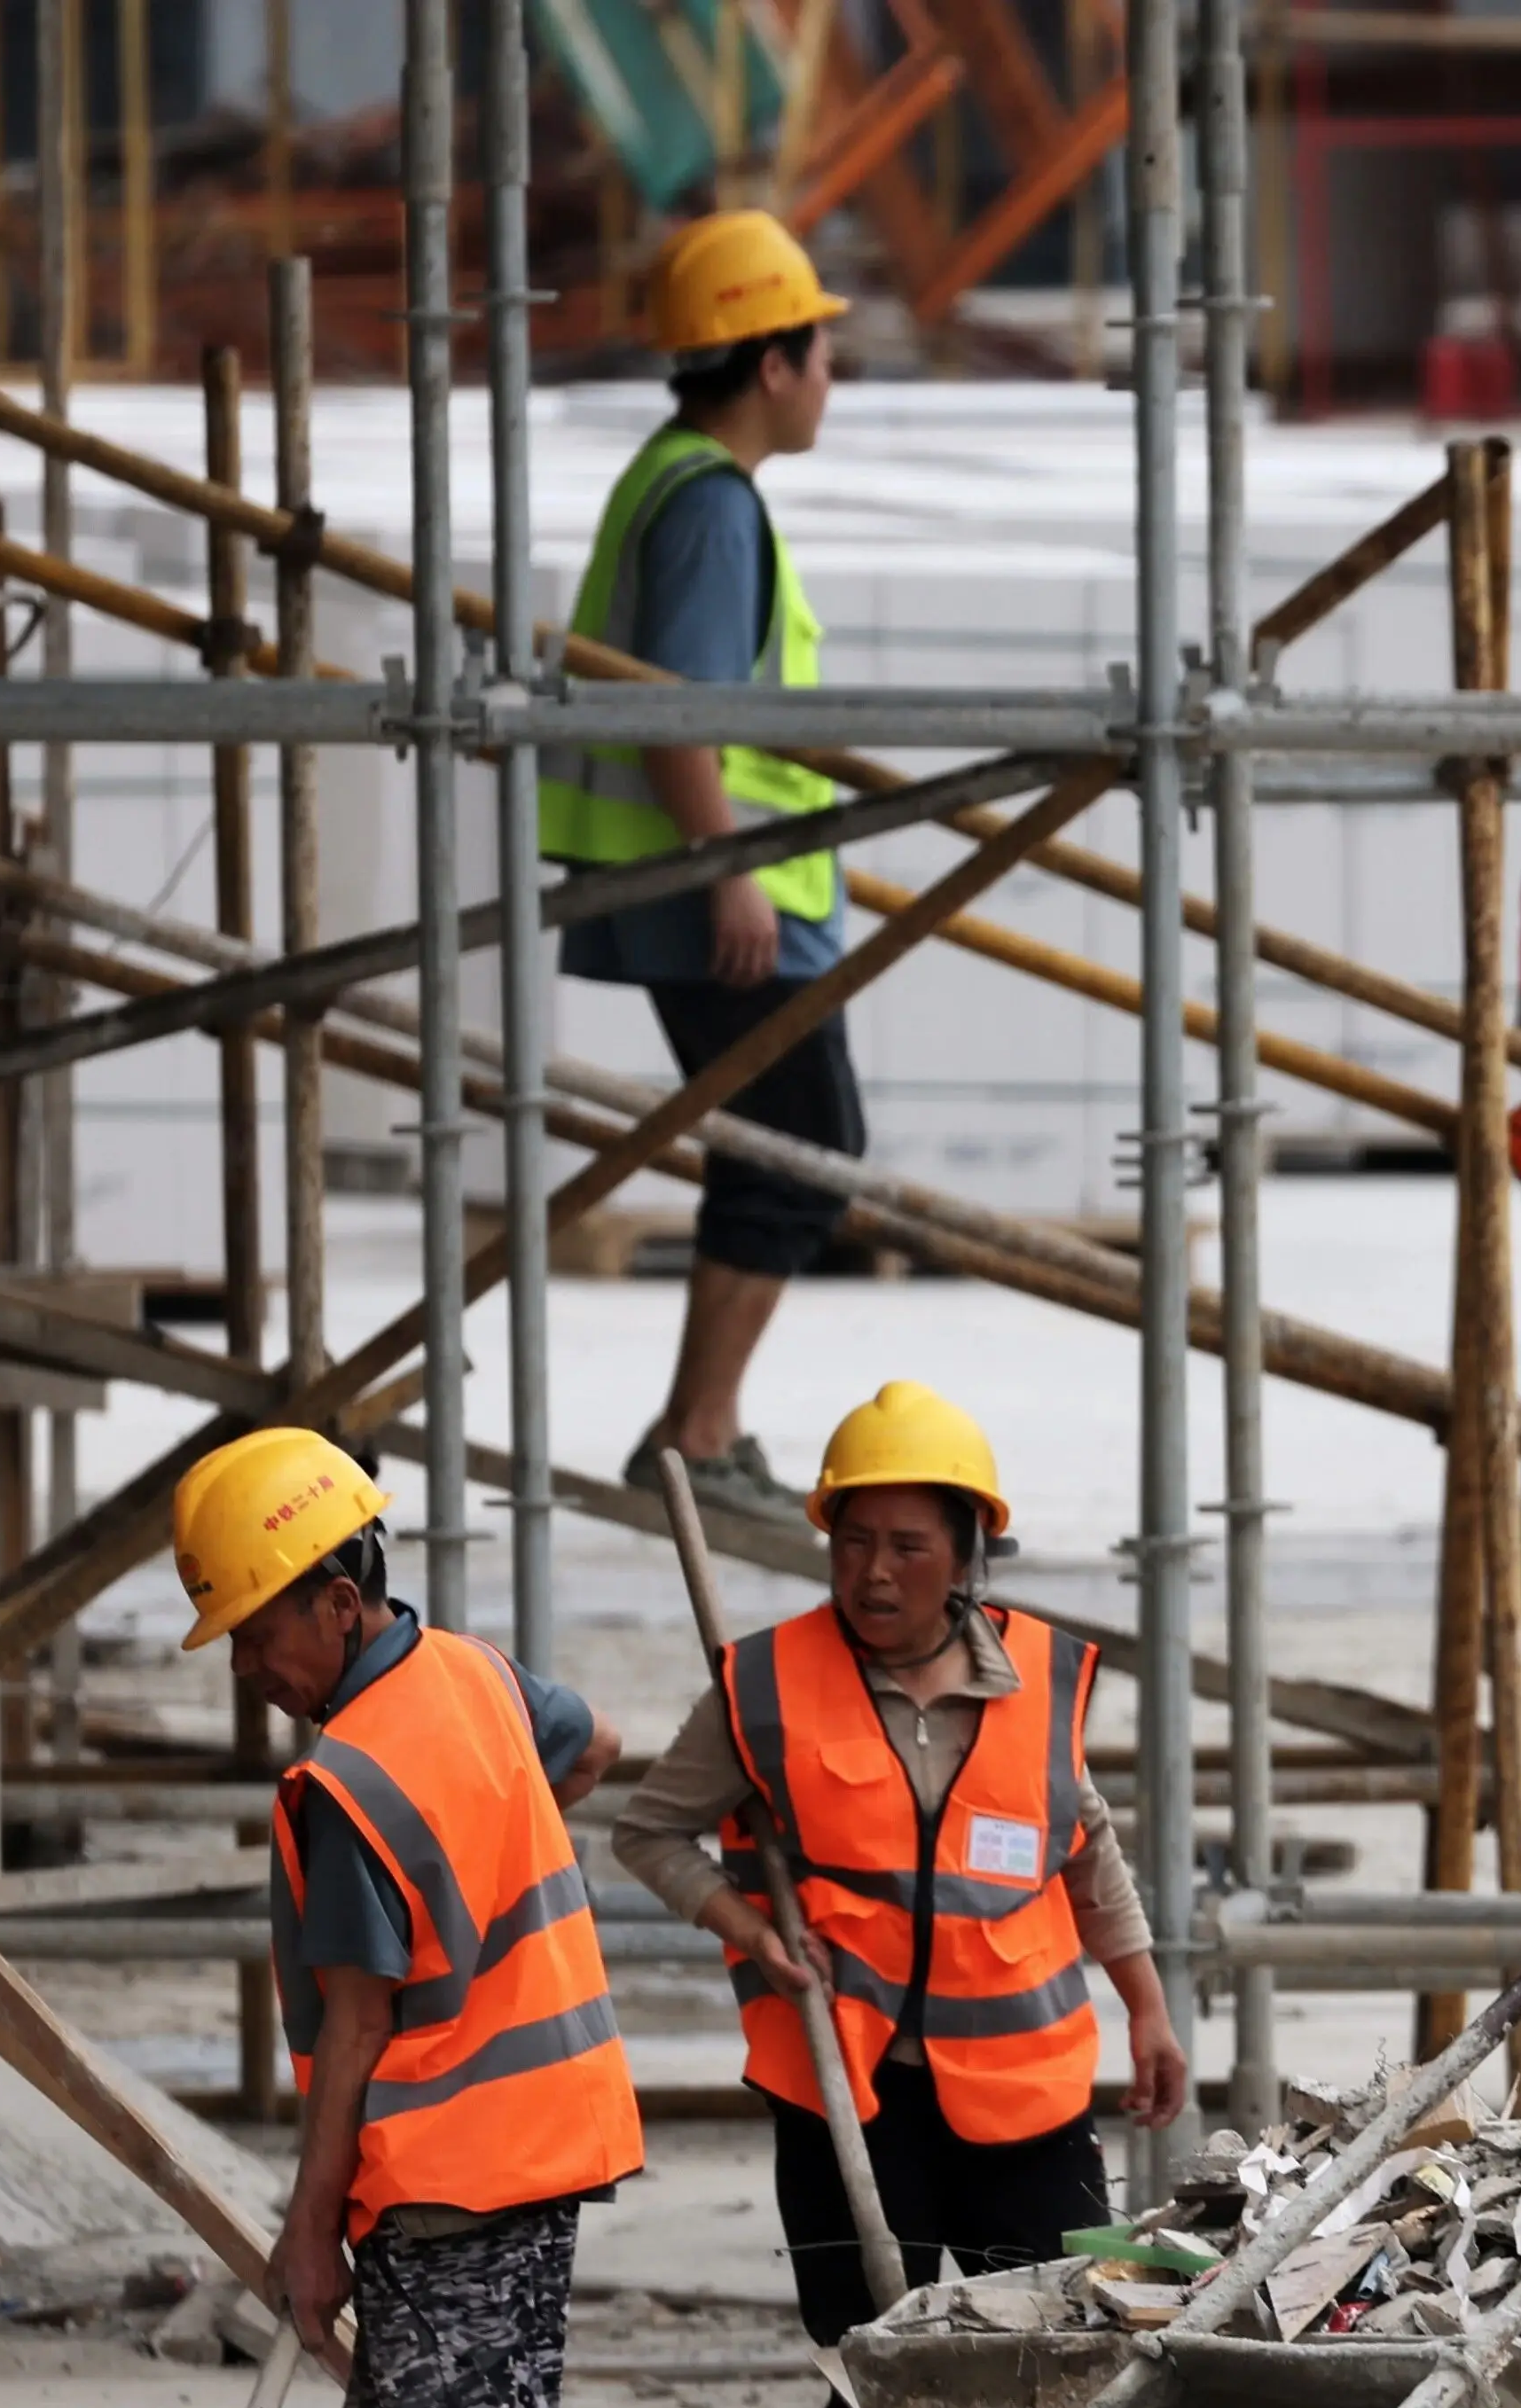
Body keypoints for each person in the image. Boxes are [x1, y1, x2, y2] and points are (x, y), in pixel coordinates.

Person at [176, 1430, 644, 2408]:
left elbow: (357, 2031)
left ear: (337, 1598)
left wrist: (306, 2231)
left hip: (460, 2175)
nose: (247, 1665)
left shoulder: (349, 1784)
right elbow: (594, 1744)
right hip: (521, 2149)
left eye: (256, 1629)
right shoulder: (478, 1676)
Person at [609, 1385, 1188, 2408]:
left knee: (1059, 2363)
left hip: (1024, 2096)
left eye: (908, 1547)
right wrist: (748, 1926)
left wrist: (1148, 2007)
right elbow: (649, 1833)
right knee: (872, 2380)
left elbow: (1087, 1853)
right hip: (847, 2095)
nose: (874, 1572)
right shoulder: (765, 1686)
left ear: (967, 1555)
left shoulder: (1039, 1681)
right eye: (854, 1540)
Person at [537, 210, 862, 1507]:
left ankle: (696, 1431)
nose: (831, 379)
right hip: (720, 893)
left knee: (781, 1144)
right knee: (803, 1145)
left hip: (710, 883)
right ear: (770, 364)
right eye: (820, 353)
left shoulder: (678, 481)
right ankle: (700, 1436)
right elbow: (673, 710)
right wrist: (729, 867)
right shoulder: (713, 509)